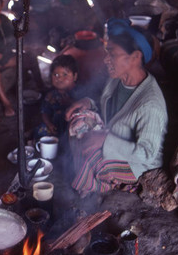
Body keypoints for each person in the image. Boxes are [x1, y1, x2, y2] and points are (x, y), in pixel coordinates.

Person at [65, 18, 167, 197]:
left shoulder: (150, 105)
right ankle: (89, 180)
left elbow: (147, 154)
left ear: (135, 57)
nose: (106, 60)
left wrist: (105, 140)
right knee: (78, 121)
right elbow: (109, 106)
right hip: (111, 136)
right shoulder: (117, 78)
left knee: (94, 155)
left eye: (112, 54)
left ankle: (98, 187)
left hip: (137, 164)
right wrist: (88, 102)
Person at [35, 55, 79, 139]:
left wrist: (71, 102)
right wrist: (49, 124)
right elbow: (44, 112)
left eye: (65, 74)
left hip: (73, 126)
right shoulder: (51, 95)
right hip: (55, 127)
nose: (60, 78)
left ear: (75, 76)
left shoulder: (80, 92)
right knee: (40, 130)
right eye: (56, 74)